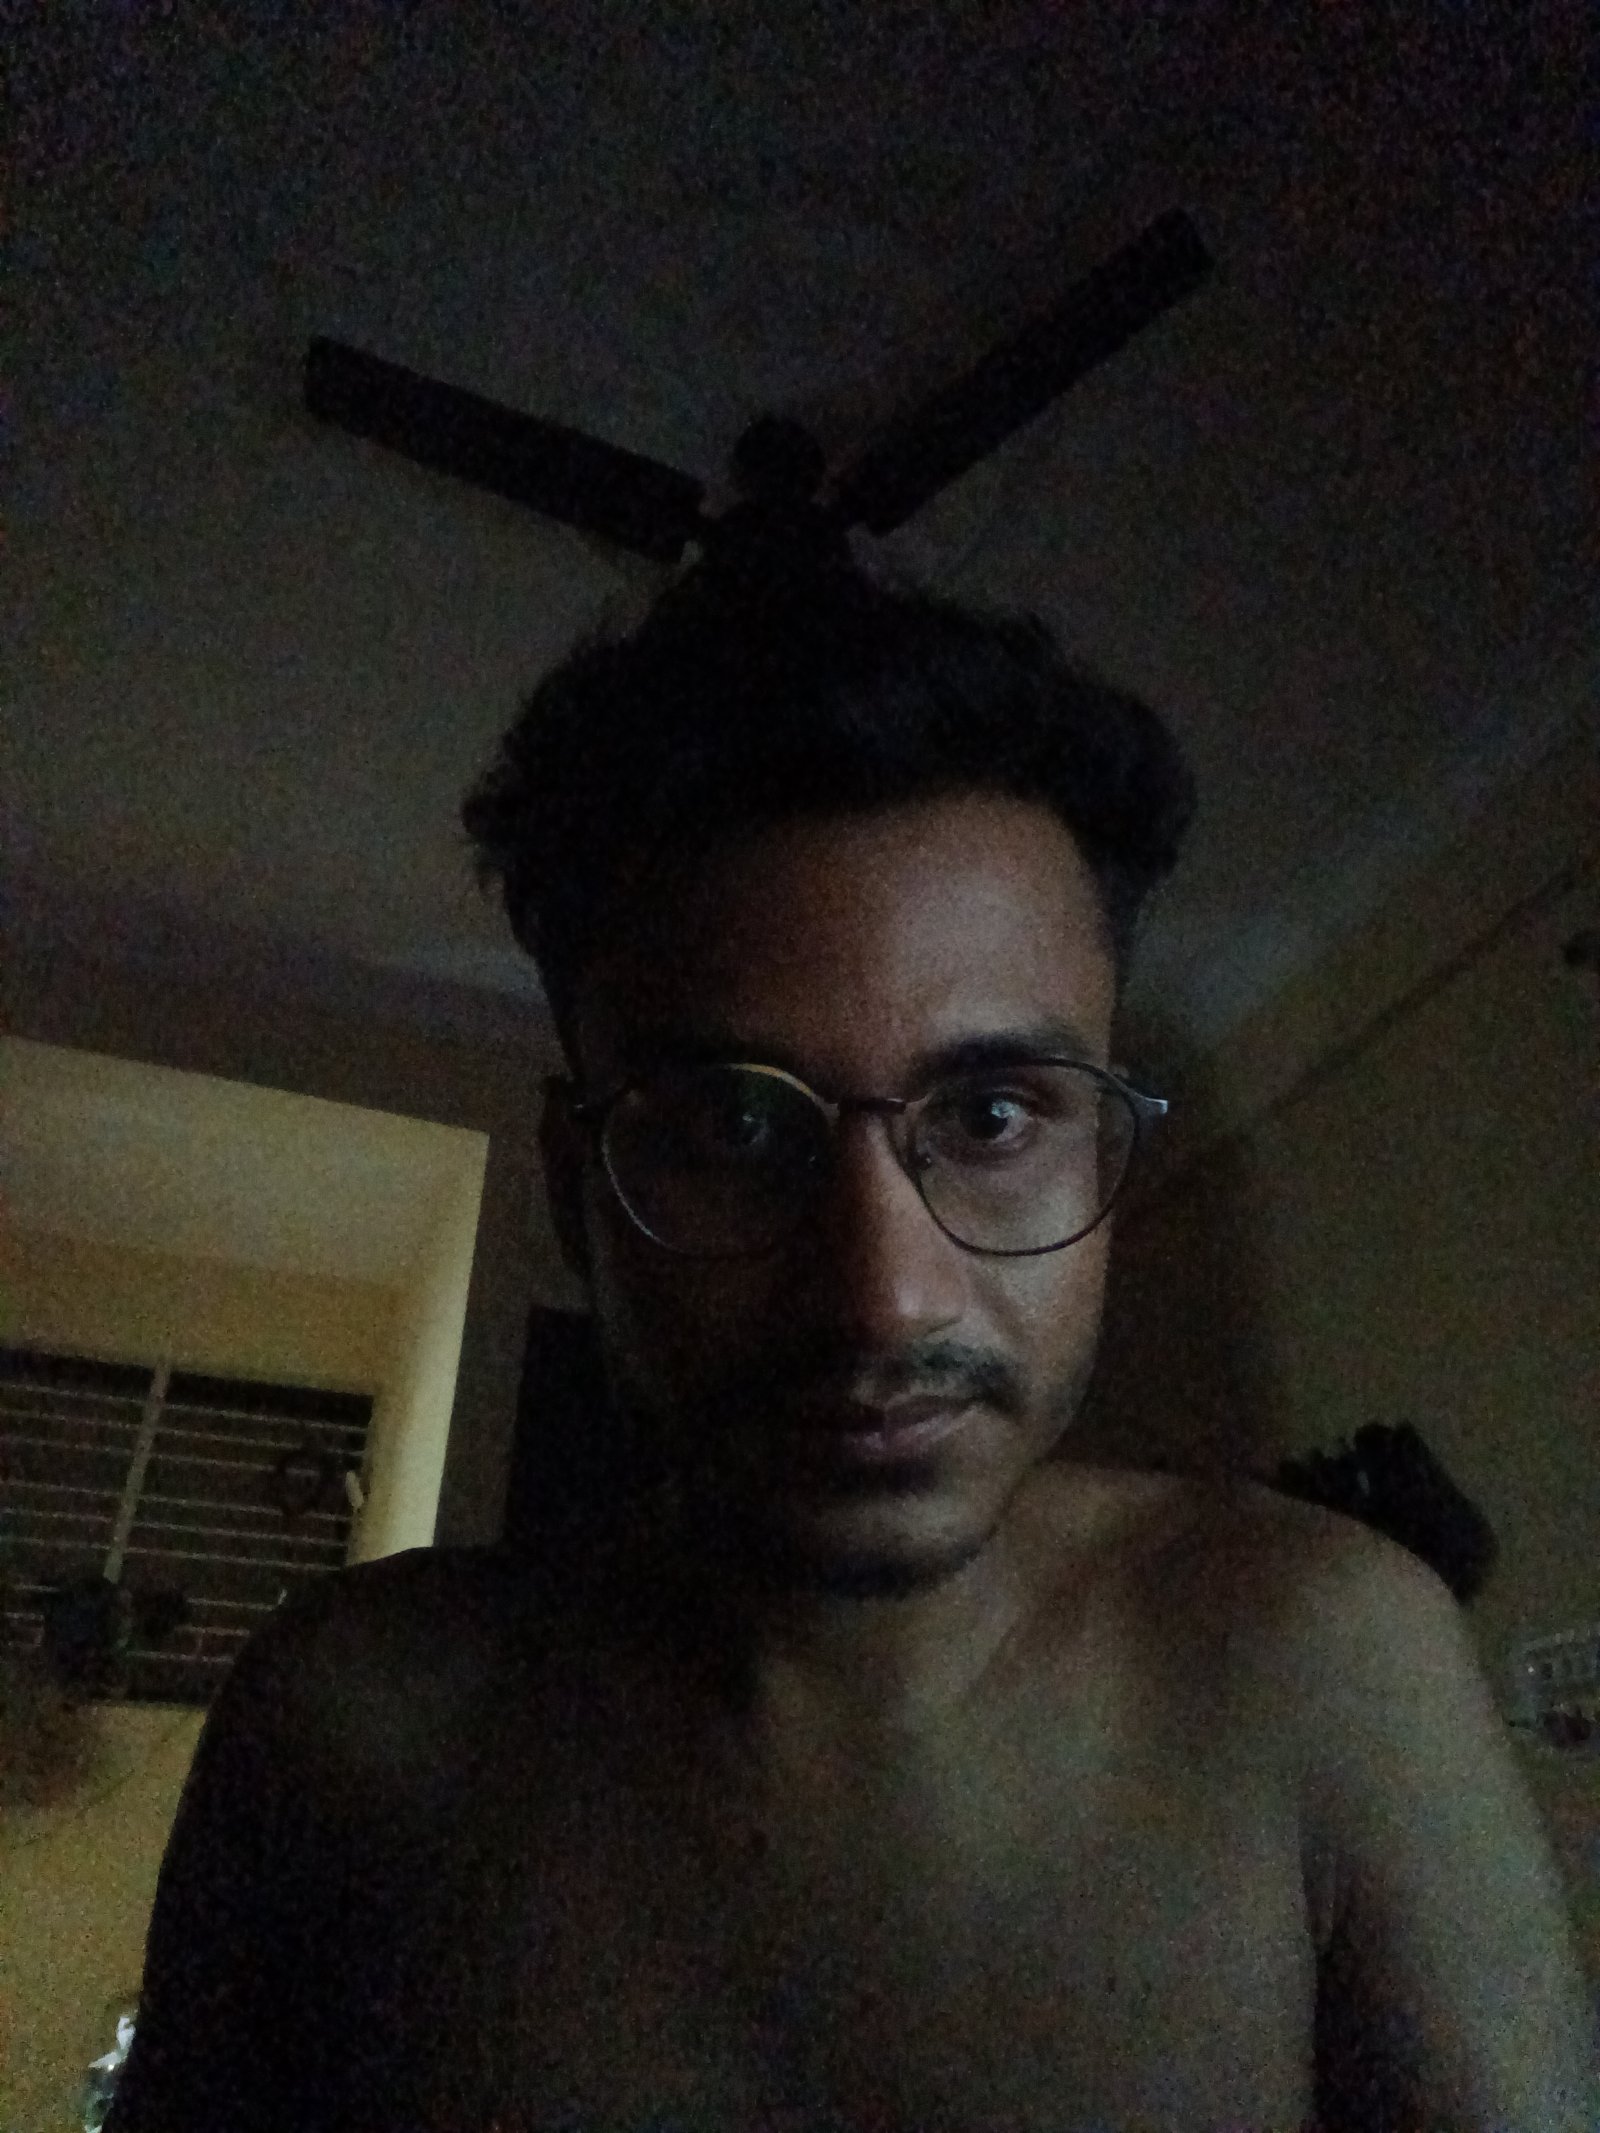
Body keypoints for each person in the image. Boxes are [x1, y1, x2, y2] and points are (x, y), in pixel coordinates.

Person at [108, 550, 1593, 2131]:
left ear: (1100, 1147)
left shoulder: (1329, 1661)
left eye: (994, 1113)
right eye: (733, 1125)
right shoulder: (346, 1732)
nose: (882, 1299)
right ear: (573, 1182)